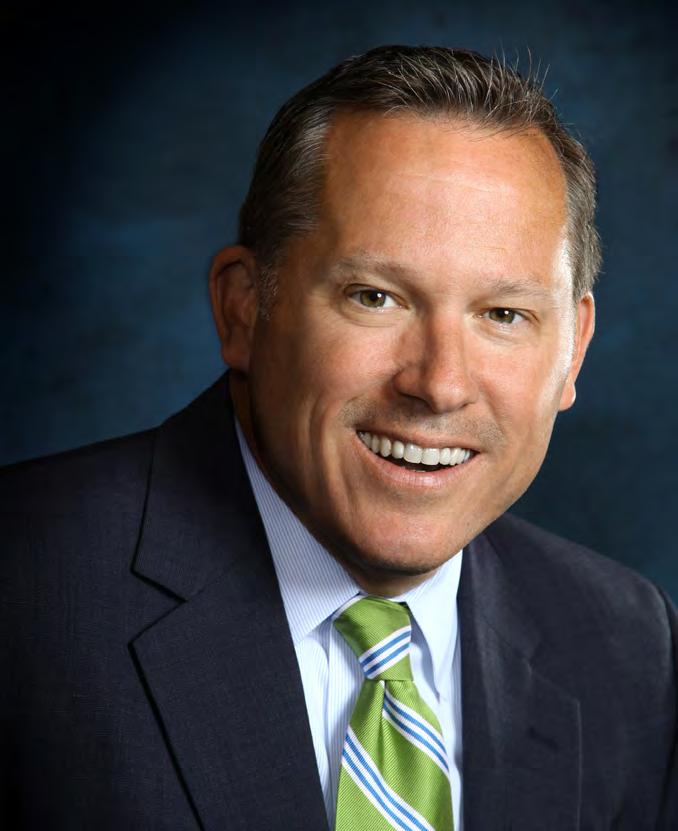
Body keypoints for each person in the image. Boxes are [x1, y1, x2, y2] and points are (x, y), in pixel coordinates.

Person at [0, 45, 675, 831]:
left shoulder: (629, 647)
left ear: (573, 350)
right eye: (375, 297)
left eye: (503, 314)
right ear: (244, 308)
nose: (439, 383)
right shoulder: (25, 589)